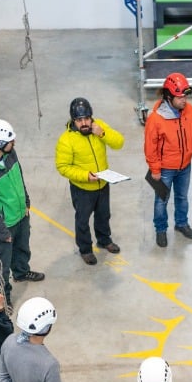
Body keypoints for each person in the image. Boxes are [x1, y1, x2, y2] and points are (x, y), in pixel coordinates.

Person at [0, 118, 44, 298]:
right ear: (0, 144)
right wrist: (2, 232)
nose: (14, 142)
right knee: (1, 264)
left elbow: (20, 177)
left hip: (20, 215)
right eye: (11, 140)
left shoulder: (11, 154)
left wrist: (26, 201)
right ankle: (3, 297)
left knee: (22, 249)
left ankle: (20, 272)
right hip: (4, 225)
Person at [54, 97, 125, 266]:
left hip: (103, 183)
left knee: (103, 215)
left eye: (87, 118)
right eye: (79, 120)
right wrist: (86, 176)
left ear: (91, 117)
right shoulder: (66, 140)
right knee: (82, 220)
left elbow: (119, 143)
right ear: (73, 120)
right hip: (83, 189)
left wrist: (103, 134)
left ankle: (104, 239)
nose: (84, 123)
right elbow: (62, 167)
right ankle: (85, 249)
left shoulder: (98, 126)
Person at [144, 72, 192, 248]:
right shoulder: (156, 119)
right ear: (168, 96)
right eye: (180, 97)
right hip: (165, 169)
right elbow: (150, 146)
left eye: (185, 96)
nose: (184, 100)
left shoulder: (188, 110)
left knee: (182, 197)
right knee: (162, 200)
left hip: (185, 165)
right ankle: (161, 229)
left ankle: (181, 223)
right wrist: (155, 169)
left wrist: (190, 150)